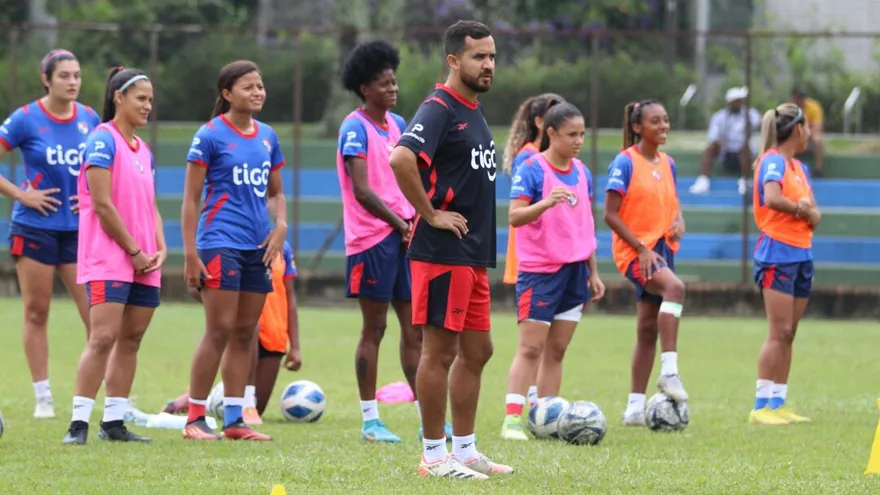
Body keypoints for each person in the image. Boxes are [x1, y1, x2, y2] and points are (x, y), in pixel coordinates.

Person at [390, 20, 512, 480]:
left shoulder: (473, 110)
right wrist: (431, 213)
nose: (488, 65)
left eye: (493, 56)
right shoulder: (439, 107)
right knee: (438, 353)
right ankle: (433, 455)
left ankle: (464, 449)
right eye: (479, 56)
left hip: (474, 253)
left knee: (478, 351)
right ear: (453, 60)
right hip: (443, 251)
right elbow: (401, 158)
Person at [337, 39, 440, 443]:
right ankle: (370, 421)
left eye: (395, 82)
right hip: (372, 239)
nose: (393, 89)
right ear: (365, 88)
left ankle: (425, 418)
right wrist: (400, 223)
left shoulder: (398, 125)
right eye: (384, 83)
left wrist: (416, 219)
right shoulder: (353, 127)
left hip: (405, 235)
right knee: (374, 328)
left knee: (414, 329)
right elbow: (362, 190)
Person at [181, 60, 287, 441]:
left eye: (260, 86)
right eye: (248, 87)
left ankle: (234, 420)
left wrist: (281, 228)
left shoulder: (268, 136)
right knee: (220, 330)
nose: (258, 92)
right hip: (219, 242)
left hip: (257, 247)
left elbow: (275, 193)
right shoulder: (209, 136)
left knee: (246, 333)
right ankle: (194, 418)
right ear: (227, 94)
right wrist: (190, 254)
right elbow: (191, 200)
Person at [62, 66, 166, 445]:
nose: (147, 105)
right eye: (140, 98)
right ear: (118, 98)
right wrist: (135, 250)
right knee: (103, 336)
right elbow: (103, 206)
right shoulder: (102, 141)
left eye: (150, 99)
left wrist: (160, 245)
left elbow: (150, 205)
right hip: (111, 257)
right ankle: (78, 425)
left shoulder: (145, 149)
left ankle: (114, 422)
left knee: (132, 339)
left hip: (144, 260)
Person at [0, 49, 100, 419]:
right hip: (35, 228)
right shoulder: (26, 119)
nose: (72, 82)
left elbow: (106, 165)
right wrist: (22, 193)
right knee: (37, 311)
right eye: (64, 76)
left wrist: (91, 199)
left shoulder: (90, 118)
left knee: (95, 316)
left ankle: (90, 396)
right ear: (47, 79)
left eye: (76, 75)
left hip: (79, 232)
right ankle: (43, 395)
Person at [501, 102, 605, 441]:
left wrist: (593, 272)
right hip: (540, 272)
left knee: (556, 351)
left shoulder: (583, 172)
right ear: (550, 133)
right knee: (530, 349)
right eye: (571, 134)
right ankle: (512, 419)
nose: (578, 141)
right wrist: (546, 202)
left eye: (582, 135)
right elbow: (514, 217)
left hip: (575, 272)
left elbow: (586, 226)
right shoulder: (531, 168)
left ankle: (546, 416)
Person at [604, 99, 689, 428]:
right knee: (675, 288)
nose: (663, 126)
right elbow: (610, 214)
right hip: (636, 251)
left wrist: (679, 220)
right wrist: (640, 247)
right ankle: (670, 372)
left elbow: (674, 202)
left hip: (662, 249)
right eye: (656, 121)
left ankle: (634, 409)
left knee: (645, 329)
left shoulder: (669, 163)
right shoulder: (625, 162)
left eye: (666, 120)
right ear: (638, 127)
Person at [164, 239, 302, 419]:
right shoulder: (229, 240)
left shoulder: (282, 247)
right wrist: (226, 314)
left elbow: (290, 297)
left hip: (274, 336)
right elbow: (196, 286)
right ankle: (195, 400)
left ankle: (200, 401)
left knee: (256, 409)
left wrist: (296, 347)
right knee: (245, 401)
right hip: (243, 329)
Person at [749, 103, 818, 426]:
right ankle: (761, 405)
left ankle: (779, 401)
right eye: (808, 128)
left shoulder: (799, 168)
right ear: (799, 129)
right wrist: (802, 210)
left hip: (802, 252)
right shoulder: (773, 160)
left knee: (790, 332)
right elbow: (772, 198)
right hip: (778, 251)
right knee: (778, 331)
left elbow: (812, 210)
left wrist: (810, 213)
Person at [500, 94, 565, 409]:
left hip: (556, 256)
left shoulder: (560, 161)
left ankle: (538, 399)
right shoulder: (529, 159)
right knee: (533, 340)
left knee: (549, 340)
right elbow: (522, 212)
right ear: (540, 123)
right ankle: (522, 403)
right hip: (533, 258)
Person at [689, 86, 761, 196]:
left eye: (741, 101)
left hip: (744, 153)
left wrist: (748, 119)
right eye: (737, 101)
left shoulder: (750, 114)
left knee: (745, 148)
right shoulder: (719, 117)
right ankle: (703, 181)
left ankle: (745, 181)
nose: (739, 104)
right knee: (710, 148)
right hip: (726, 153)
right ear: (730, 102)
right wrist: (719, 142)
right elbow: (713, 136)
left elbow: (758, 122)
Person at [789, 89, 825, 177]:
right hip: (792, 137)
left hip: (808, 138)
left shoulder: (813, 107)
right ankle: (787, 168)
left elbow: (817, 128)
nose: (799, 100)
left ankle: (818, 169)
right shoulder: (787, 109)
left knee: (817, 139)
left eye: (801, 98)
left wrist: (804, 133)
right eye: (796, 98)